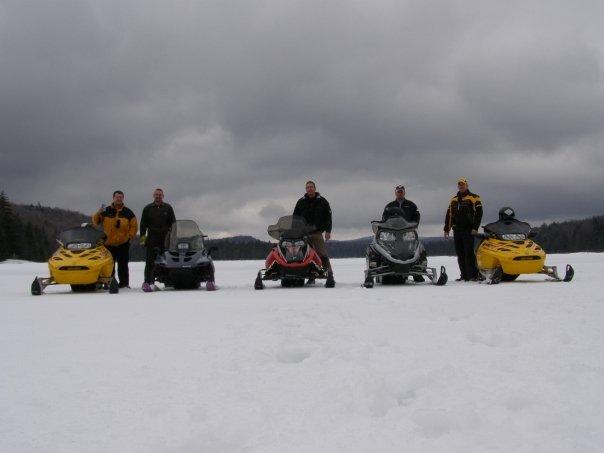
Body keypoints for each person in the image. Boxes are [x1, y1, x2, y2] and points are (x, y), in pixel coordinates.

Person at [293, 180, 335, 287]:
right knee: (305, 256)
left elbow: (328, 217)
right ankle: (311, 277)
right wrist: (294, 231)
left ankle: (330, 275)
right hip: (303, 234)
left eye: (311, 187)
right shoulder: (301, 202)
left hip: (317, 233)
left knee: (322, 255)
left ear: (315, 188)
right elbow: (295, 218)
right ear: (305, 189)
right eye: (307, 187)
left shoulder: (323, 202)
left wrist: (328, 231)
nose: (309, 189)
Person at [92, 190, 137, 288]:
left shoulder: (128, 212)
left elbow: (134, 226)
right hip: (108, 243)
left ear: (123, 198)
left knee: (123, 265)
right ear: (113, 198)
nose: (119, 199)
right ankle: (109, 283)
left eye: (121, 197)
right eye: (117, 197)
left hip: (123, 243)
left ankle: (124, 284)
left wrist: (130, 236)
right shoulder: (105, 210)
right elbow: (95, 222)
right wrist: (98, 213)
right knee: (109, 265)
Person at [444, 178, 483, 281]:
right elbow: (449, 215)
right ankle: (464, 275)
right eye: (459, 185)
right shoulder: (454, 199)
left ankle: (473, 275)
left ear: (467, 186)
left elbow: (479, 214)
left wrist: (475, 227)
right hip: (457, 230)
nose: (461, 187)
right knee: (460, 253)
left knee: (469, 253)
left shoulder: (474, 197)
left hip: (468, 230)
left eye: (463, 185)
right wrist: (447, 229)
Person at [139, 188, 176, 292]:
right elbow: (142, 226)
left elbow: (174, 224)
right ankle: (147, 282)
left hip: (166, 239)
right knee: (150, 262)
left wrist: (173, 239)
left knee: (168, 260)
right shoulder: (147, 208)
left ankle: (169, 281)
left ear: (163, 196)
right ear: (153, 196)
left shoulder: (168, 208)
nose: (158, 196)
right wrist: (142, 240)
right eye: (156, 195)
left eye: (160, 195)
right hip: (152, 239)